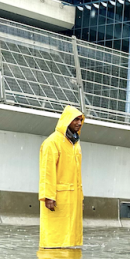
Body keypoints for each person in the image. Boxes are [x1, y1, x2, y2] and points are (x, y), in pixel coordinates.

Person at [39, 105, 85, 249]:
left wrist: (80, 198)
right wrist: (48, 196)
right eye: (75, 120)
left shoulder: (74, 144)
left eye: (80, 120)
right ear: (66, 121)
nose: (78, 123)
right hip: (58, 197)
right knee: (54, 236)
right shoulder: (52, 142)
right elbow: (47, 171)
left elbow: (77, 175)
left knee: (69, 239)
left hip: (72, 197)